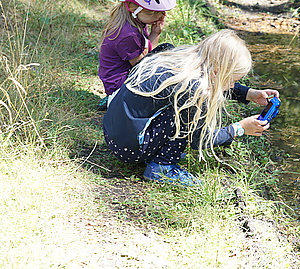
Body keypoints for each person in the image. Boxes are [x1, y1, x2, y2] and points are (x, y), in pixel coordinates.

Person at [102, 29, 280, 186]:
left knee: (179, 109)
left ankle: (154, 150)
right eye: (232, 81)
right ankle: (162, 167)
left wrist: (249, 94)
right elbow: (200, 140)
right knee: (184, 115)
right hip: (129, 148)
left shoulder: (177, 56)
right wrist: (239, 129)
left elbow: (218, 83)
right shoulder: (194, 90)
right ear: (216, 73)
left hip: (113, 131)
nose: (233, 85)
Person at [98, 0, 176, 110]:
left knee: (167, 53)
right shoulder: (128, 34)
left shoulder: (134, 21)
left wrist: (154, 34)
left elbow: (145, 53)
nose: (160, 16)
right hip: (120, 87)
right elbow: (142, 67)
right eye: (152, 13)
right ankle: (115, 101)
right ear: (132, 7)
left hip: (128, 75)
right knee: (164, 77)